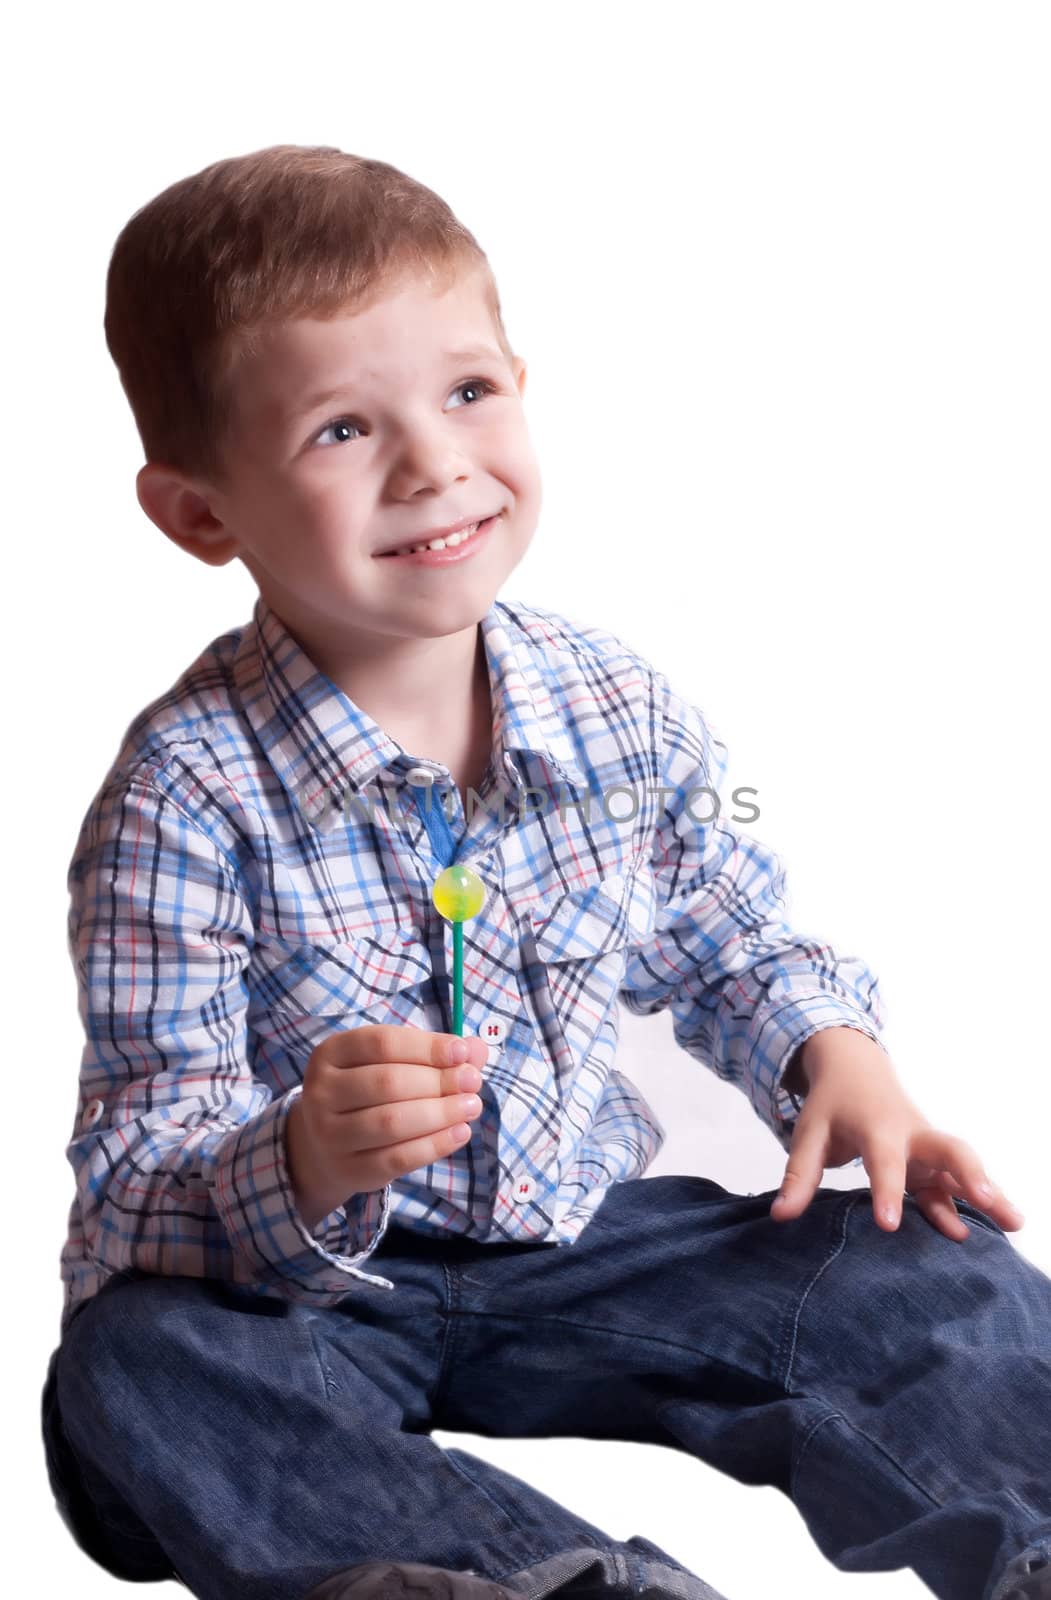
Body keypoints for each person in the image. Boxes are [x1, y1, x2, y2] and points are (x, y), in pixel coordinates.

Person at [40, 144, 1051, 1600]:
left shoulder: (614, 702)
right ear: (204, 513)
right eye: (340, 429)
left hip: (591, 1242)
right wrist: (299, 1161)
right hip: (316, 1286)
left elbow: (722, 924)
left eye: (467, 393)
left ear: (521, 378)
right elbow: (138, 1166)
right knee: (135, 1372)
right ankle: (541, 1584)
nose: (435, 464)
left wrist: (837, 1052)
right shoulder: (182, 795)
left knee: (924, 1271)